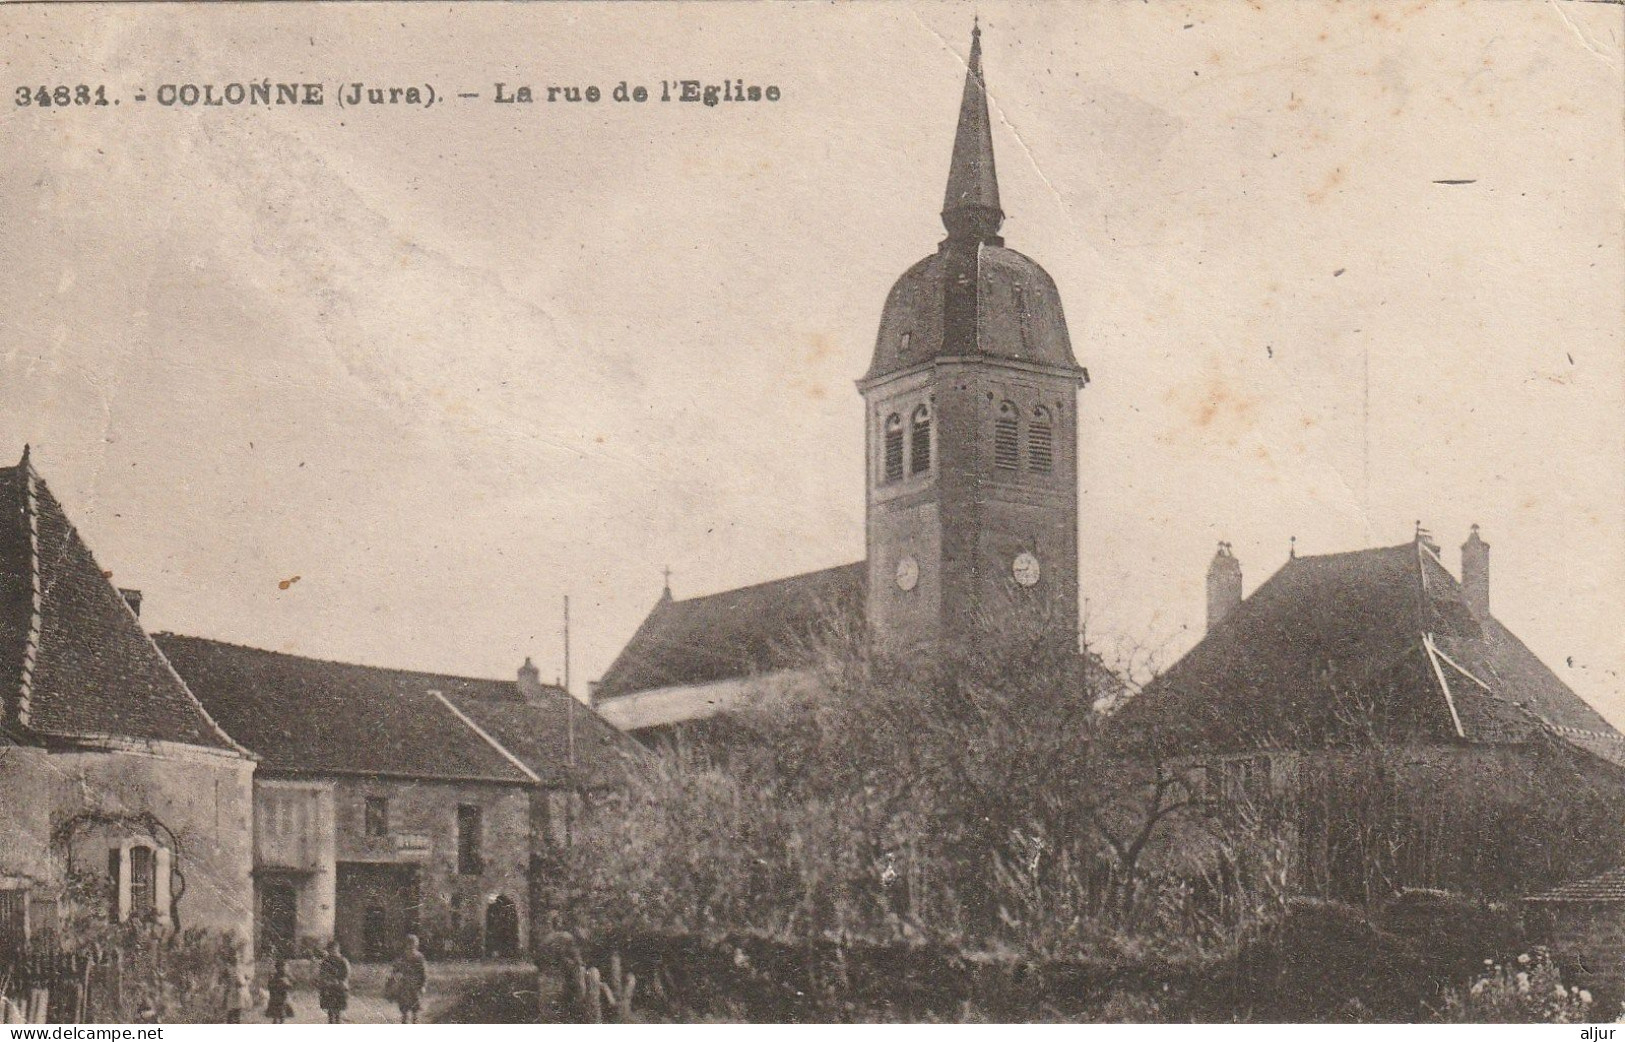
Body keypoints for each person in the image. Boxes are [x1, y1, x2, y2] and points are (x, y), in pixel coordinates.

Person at [388, 934, 428, 1024]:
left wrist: (423, 986)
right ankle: (404, 1021)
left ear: (416, 945)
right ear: (405, 945)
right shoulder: (402, 958)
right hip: (404, 986)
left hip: (415, 986)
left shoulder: (419, 958)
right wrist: (394, 982)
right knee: (404, 1010)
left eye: (413, 944)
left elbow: (423, 973)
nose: (411, 947)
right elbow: (395, 971)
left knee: (415, 1010)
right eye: (409, 944)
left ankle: (415, 1021)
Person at [317, 939, 350, 1024]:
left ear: (337, 949)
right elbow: (322, 973)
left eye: (333, 949)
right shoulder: (325, 962)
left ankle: (337, 1021)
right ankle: (331, 1021)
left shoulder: (343, 961)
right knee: (330, 1010)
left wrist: (339, 981)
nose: (332, 952)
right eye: (330, 950)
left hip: (339, 987)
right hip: (329, 987)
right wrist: (325, 981)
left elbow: (346, 974)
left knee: (338, 1009)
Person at [221, 941, 254, 1024]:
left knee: (238, 1011)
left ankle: (237, 1022)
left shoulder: (241, 967)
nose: (236, 957)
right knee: (231, 1011)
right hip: (232, 991)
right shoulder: (228, 968)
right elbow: (222, 979)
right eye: (233, 956)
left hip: (241, 991)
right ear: (230, 957)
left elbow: (248, 977)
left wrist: (245, 982)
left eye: (237, 956)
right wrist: (227, 983)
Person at [264, 956, 294, 1025]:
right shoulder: (275, 977)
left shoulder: (286, 977)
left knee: (281, 1015)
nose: (286, 969)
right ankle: (277, 1022)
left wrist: (288, 984)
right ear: (278, 968)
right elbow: (270, 986)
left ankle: (280, 1022)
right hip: (276, 999)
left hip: (283, 999)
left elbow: (291, 986)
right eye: (284, 967)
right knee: (276, 1015)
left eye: (286, 967)